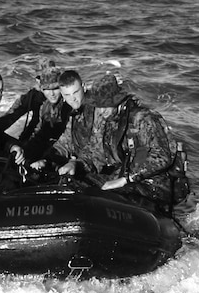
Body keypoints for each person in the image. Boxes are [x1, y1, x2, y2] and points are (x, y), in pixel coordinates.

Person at [57, 71, 183, 207]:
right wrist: (76, 164)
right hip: (124, 178)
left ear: (117, 101)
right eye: (98, 106)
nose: (101, 111)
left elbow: (162, 156)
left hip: (151, 185)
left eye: (105, 106)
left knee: (100, 191)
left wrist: (126, 179)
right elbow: (95, 152)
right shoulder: (107, 121)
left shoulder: (143, 118)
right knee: (75, 182)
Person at [0, 59, 71, 174]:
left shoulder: (69, 103)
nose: (52, 94)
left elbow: (69, 139)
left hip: (61, 147)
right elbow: (11, 117)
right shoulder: (36, 98)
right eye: (47, 89)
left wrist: (47, 160)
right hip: (40, 142)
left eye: (55, 88)